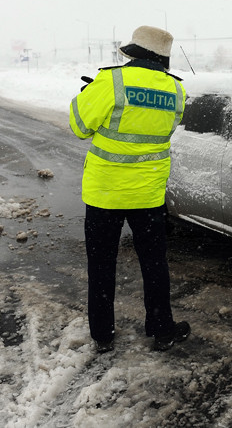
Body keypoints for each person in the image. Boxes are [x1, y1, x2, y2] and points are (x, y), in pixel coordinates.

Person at [69, 25, 190, 353]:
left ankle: (103, 335)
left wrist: (88, 95)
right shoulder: (176, 91)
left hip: (105, 194)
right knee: (154, 264)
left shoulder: (111, 81)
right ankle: (162, 328)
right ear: (162, 57)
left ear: (135, 54)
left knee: (102, 265)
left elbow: (79, 127)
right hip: (148, 194)